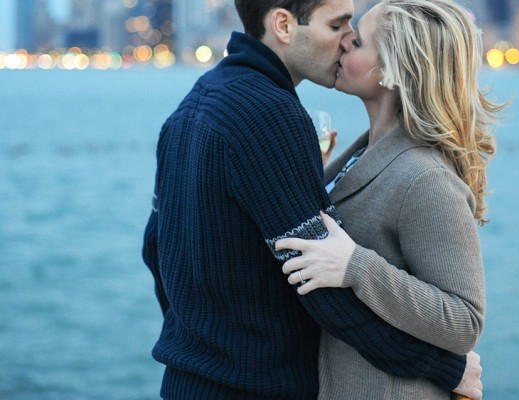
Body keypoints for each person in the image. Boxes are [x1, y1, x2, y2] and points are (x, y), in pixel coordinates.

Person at [142, 0, 482, 398]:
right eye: (339, 27)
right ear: (284, 25)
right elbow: (321, 292)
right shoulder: (273, 116)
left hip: (190, 383)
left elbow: (156, 248)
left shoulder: (194, 104)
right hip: (253, 388)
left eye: (355, 38)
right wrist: (442, 367)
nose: (343, 42)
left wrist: (198, 343)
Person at [277, 0, 505, 399]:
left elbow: (465, 320)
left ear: (392, 71)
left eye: (359, 40)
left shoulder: (426, 178)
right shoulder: (363, 153)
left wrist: (357, 267)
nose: (345, 42)